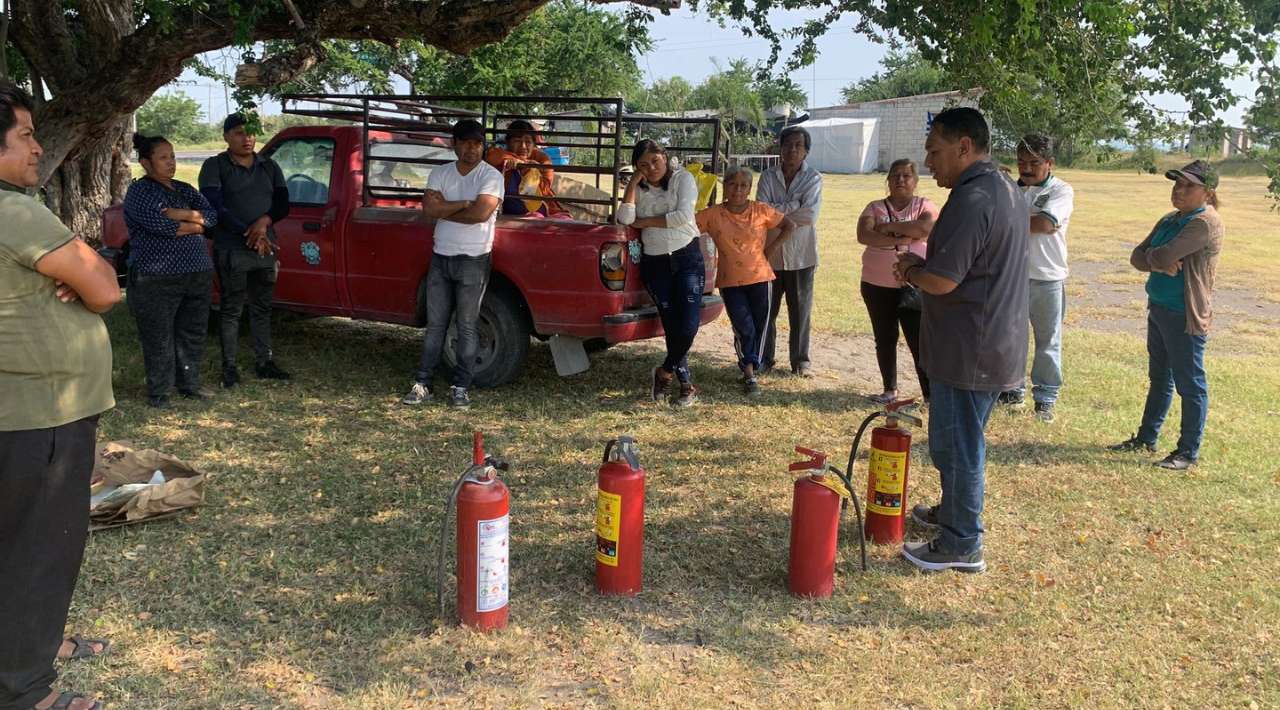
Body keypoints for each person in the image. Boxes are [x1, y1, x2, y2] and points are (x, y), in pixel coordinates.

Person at [0, 81, 120, 710]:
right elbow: (104, 287)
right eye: (24, 134)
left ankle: (32, 645)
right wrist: (83, 274)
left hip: (15, 411)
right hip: (38, 415)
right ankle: (26, 691)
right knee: (39, 549)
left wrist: (66, 275)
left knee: (14, 540)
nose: (37, 147)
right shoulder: (15, 211)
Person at [892, 107, 1028, 573]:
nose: (929, 162)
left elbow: (943, 280)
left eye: (935, 151)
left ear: (963, 147)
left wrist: (910, 270)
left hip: (972, 347)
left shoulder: (974, 199)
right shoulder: (1002, 187)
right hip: (988, 341)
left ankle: (962, 543)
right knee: (955, 442)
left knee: (960, 445)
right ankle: (953, 515)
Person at [1109, 161, 1223, 470]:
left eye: (1188, 185)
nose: (1179, 190)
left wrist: (1157, 259)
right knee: (1160, 378)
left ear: (1208, 192)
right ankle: (1146, 438)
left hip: (1185, 314)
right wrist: (1158, 262)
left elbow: (1161, 254)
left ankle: (1187, 452)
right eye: (1176, 183)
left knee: (1190, 384)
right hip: (1159, 307)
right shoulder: (1170, 219)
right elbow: (1137, 256)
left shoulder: (1204, 223)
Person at [402, 119, 504, 410]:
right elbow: (429, 209)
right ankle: (423, 383)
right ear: (454, 143)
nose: (472, 149)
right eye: (467, 142)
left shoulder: (491, 176)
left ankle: (461, 387)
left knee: (467, 325)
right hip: (441, 256)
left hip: (474, 258)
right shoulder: (441, 172)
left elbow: (481, 214)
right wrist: (462, 204)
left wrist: (447, 207)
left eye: (478, 143)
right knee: (435, 326)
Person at [123, 134, 218, 408]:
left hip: (197, 272)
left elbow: (212, 217)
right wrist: (195, 222)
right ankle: (159, 392)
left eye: (172, 156)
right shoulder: (140, 192)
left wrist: (180, 215)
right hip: (157, 277)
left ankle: (189, 384)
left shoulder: (183, 189)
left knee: (193, 331)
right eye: (163, 158)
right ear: (146, 162)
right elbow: (160, 226)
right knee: (159, 335)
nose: (171, 163)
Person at [198, 113, 291, 389]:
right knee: (231, 308)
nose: (247, 138)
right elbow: (214, 206)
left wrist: (264, 223)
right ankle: (229, 367)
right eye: (239, 133)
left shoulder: (269, 166)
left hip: (266, 246)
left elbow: (283, 204)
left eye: (251, 133)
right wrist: (248, 232)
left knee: (262, 306)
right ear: (226, 136)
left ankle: (265, 361)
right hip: (233, 247)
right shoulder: (215, 166)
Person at [617, 139, 705, 407]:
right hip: (655, 262)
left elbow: (683, 217)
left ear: (665, 157)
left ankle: (664, 371)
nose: (651, 168)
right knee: (671, 323)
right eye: (643, 165)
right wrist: (633, 183)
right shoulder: (639, 187)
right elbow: (624, 218)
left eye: (655, 161)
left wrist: (645, 222)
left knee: (689, 325)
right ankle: (686, 385)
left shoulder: (683, 179)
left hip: (686, 256)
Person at [695, 167, 796, 395]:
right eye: (732, 184)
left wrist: (771, 248)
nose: (737, 189)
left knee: (760, 325)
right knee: (743, 326)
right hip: (730, 281)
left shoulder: (760, 210)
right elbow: (688, 228)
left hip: (761, 277)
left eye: (743, 185)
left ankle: (751, 369)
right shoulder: (712, 215)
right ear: (725, 186)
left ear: (750, 189)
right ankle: (749, 371)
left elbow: (790, 225)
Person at [998, 134, 1075, 423]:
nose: (1026, 169)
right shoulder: (1014, 189)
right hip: (1012, 276)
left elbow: (1044, 223)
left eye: (1033, 163)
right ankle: (1011, 390)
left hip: (1047, 277)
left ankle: (1045, 398)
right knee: (1010, 337)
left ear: (1049, 163)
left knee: (1048, 340)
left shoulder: (1061, 191)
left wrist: (1007, 221)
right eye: (1021, 162)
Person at [855, 158, 938, 404]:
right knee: (884, 337)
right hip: (875, 284)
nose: (900, 180)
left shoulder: (925, 205)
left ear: (915, 181)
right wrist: (907, 233)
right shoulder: (874, 206)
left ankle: (930, 395)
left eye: (906, 176)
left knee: (919, 341)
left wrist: (887, 228)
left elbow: (925, 228)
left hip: (915, 284)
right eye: (895, 176)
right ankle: (889, 389)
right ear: (888, 180)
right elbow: (864, 234)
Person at [757, 125, 823, 376]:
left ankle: (801, 362)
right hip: (771, 255)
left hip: (801, 255)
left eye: (798, 145)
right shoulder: (767, 177)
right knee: (767, 312)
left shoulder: (813, 178)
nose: (792, 149)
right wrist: (794, 204)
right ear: (780, 148)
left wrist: (779, 209)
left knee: (800, 312)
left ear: (806, 151)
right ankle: (764, 358)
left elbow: (810, 215)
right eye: (788, 145)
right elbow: (762, 213)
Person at [484, 119, 560, 216]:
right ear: (508, 142)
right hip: (507, 210)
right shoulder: (500, 154)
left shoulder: (542, 159)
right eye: (517, 141)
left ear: (534, 145)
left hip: (538, 210)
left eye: (528, 142)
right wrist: (523, 163)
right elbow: (491, 156)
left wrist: (528, 169)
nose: (523, 146)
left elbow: (545, 189)